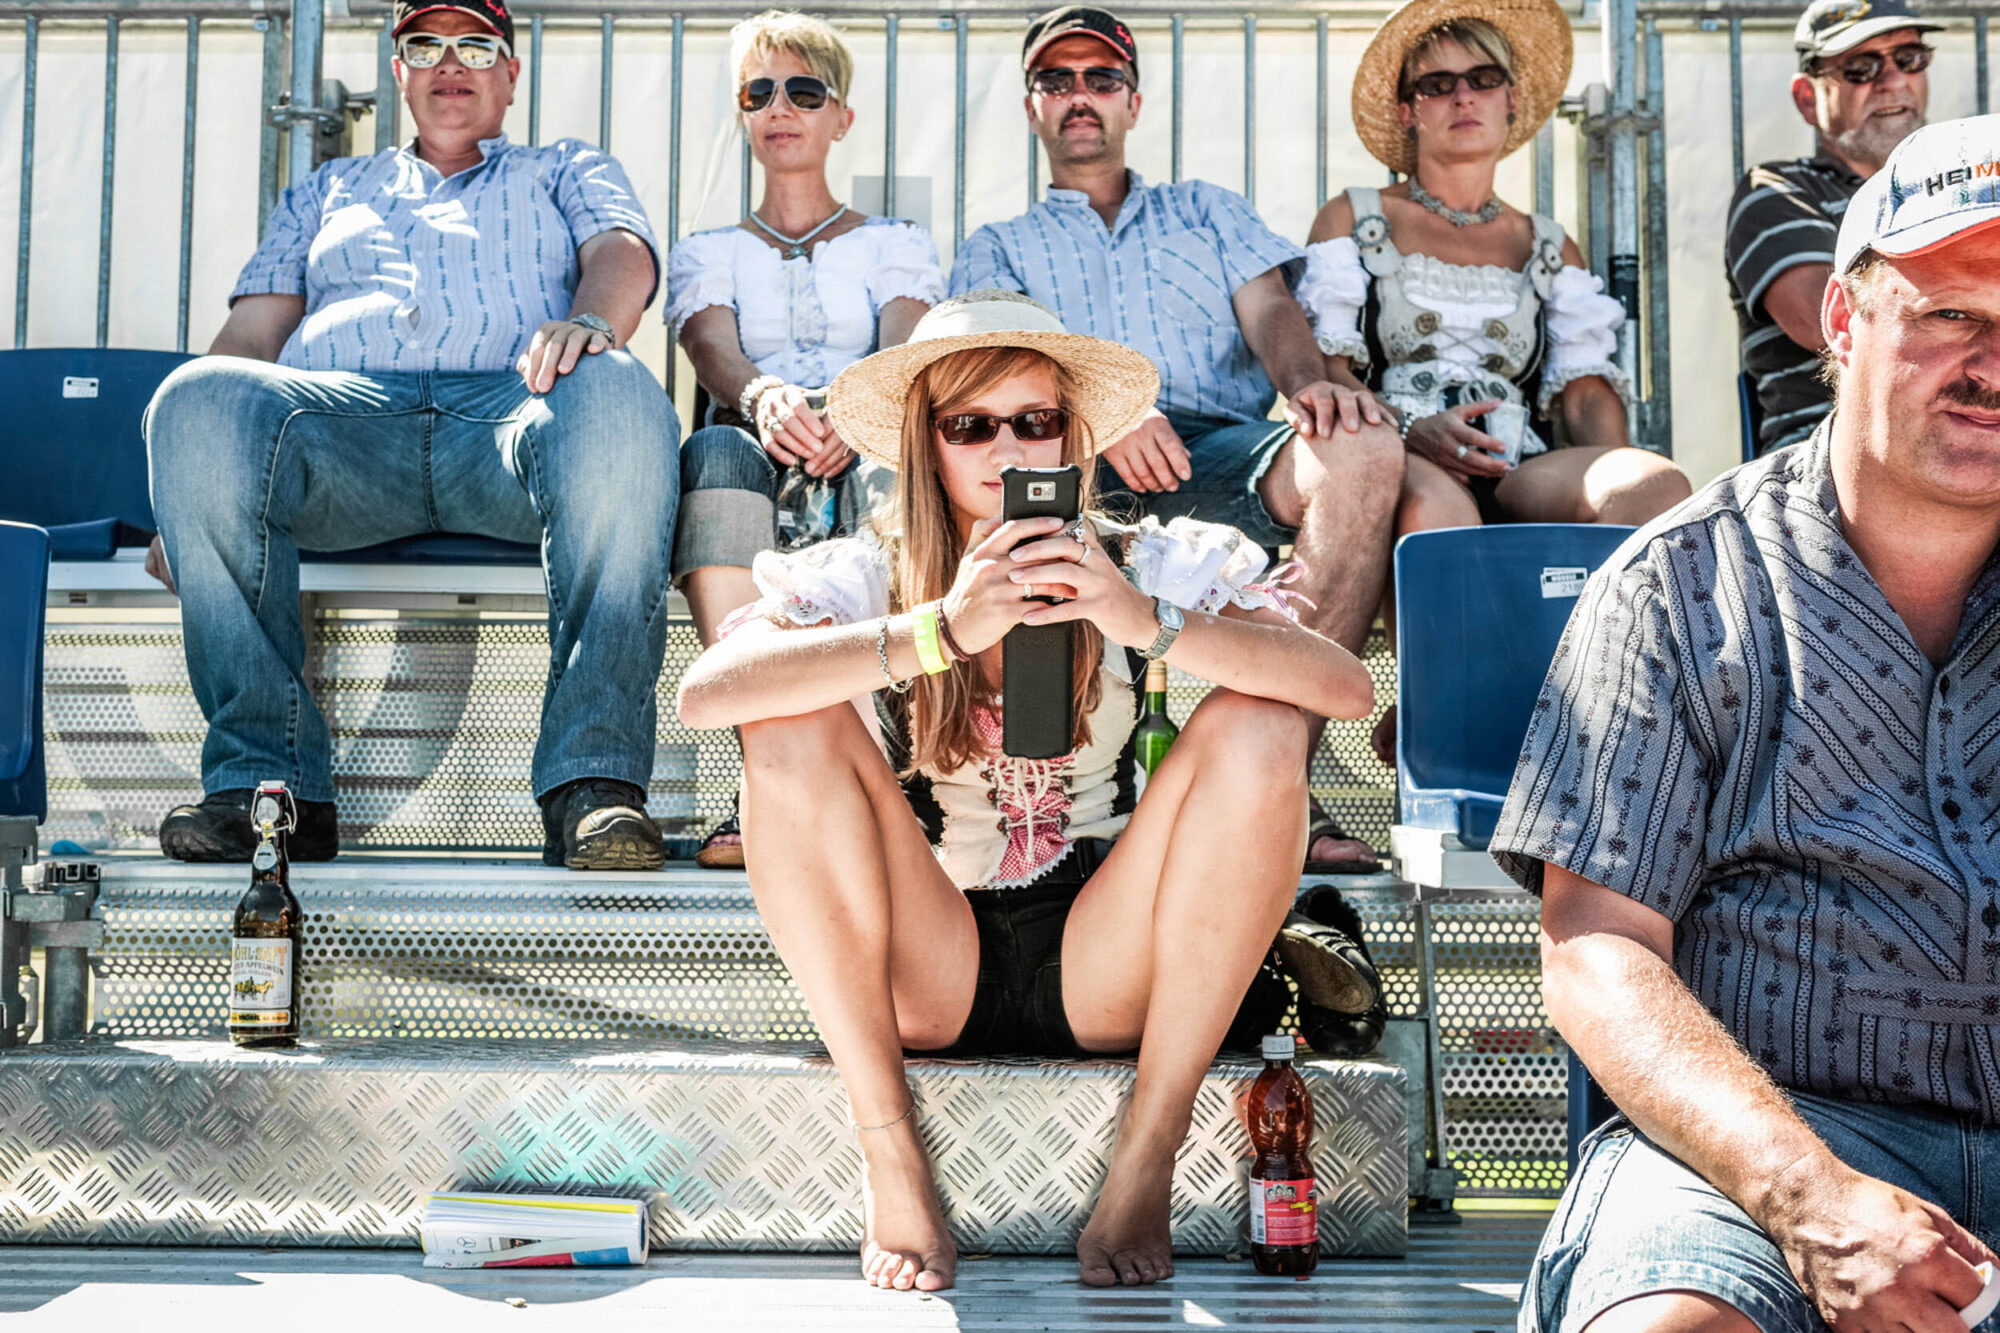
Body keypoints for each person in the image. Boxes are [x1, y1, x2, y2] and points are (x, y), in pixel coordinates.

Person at [676, 290, 1379, 1292]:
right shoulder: (866, 575)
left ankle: (1150, 1140)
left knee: (1261, 717)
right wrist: (937, 631)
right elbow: (707, 696)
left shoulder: (1142, 562)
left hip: (1109, 955)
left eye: (1033, 422)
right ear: (925, 443)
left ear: (1070, 437)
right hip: (930, 957)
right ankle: (886, 1141)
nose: (1005, 449)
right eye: (970, 425)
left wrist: (1143, 620)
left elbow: (1341, 691)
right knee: (785, 719)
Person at [1496, 115, 2000, 1333]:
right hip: (1770, 1139)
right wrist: (1808, 1196)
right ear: (1841, 319)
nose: (1991, 362)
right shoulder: (1676, 585)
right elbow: (1594, 947)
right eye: (1949, 314)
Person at [144, 0, 680, 870]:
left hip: (511, 416)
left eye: (477, 45)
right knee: (195, 396)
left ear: (511, 74)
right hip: (341, 427)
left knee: (616, 383)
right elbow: (250, 337)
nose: (449, 62)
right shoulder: (326, 188)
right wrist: (187, 478)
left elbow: (623, 253)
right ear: (399, 73)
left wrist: (591, 323)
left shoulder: (564, 166)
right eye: (424, 45)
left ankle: (595, 786)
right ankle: (268, 790)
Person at [950, 4, 1404, 874]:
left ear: (1133, 102)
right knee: (1020, 470)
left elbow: (1271, 308)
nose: (1080, 95)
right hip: (1073, 460)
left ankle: (1280, 779)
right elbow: (998, 371)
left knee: (1367, 452)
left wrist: (1307, 383)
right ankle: (1048, 805)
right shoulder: (997, 246)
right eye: (1057, 79)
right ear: (1032, 107)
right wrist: (1108, 410)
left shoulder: (1206, 210)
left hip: (1223, 449)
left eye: (1101, 78)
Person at [1302, 0, 1690, 765]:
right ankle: (1444, 722)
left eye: (1483, 77)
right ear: (1409, 109)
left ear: (1512, 98)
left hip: (1516, 455)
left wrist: (1605, 489)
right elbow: (1332, 372)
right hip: (1396, 446)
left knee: (1654, 488)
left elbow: (1582, 392)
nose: (1463, 97)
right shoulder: (1354, 217)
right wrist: (1411, 432)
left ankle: (1614, 724)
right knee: (1441, 507)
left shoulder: (1548, 243)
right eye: (1438, 83)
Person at [670, 9, 944, 869]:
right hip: (754, 432)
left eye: (804, 89)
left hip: (869, 431)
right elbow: (712, 347)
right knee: (711, 457)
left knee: (903, 461)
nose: (780, 107)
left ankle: (907, 771)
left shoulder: (896, 241)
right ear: (743, 114)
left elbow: (906, 341)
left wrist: (853, 414)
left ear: (841, 117)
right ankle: (768, 767)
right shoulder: (708, 248)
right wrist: (764, 397)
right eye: (759, 92)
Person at [1726, 0, 1942, 455]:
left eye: (1909, 58)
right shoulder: (1776, 190)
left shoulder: (1966, 183)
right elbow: (1832, 318)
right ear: (1808, 97)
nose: (1892, 80)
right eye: (1861, 67)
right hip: (1835, 454)